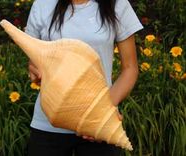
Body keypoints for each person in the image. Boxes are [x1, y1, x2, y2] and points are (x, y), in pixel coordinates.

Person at [25, 0, 143, 155]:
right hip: (48, 124)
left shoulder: (117, 4)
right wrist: (35, 72)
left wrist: (101, 111)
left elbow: (130, 68)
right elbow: (35, 62)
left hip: (97, 127)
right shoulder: (43, 4)